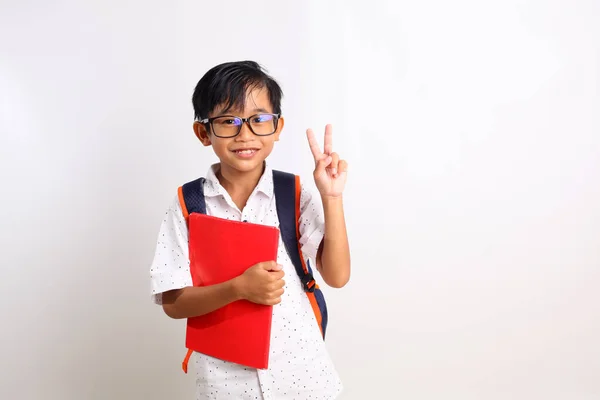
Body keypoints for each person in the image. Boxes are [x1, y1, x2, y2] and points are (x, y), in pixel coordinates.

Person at [149, 60, 351, 399]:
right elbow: (173, 302)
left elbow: (337, 275)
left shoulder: (294, 193)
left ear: (277, 126)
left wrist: (332, 197)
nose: (245, 134)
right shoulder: (189, 203)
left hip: (303, 377)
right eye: (228, 121)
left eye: (258, 119)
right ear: (204, 132)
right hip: (226, 385)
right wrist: (239, 288)